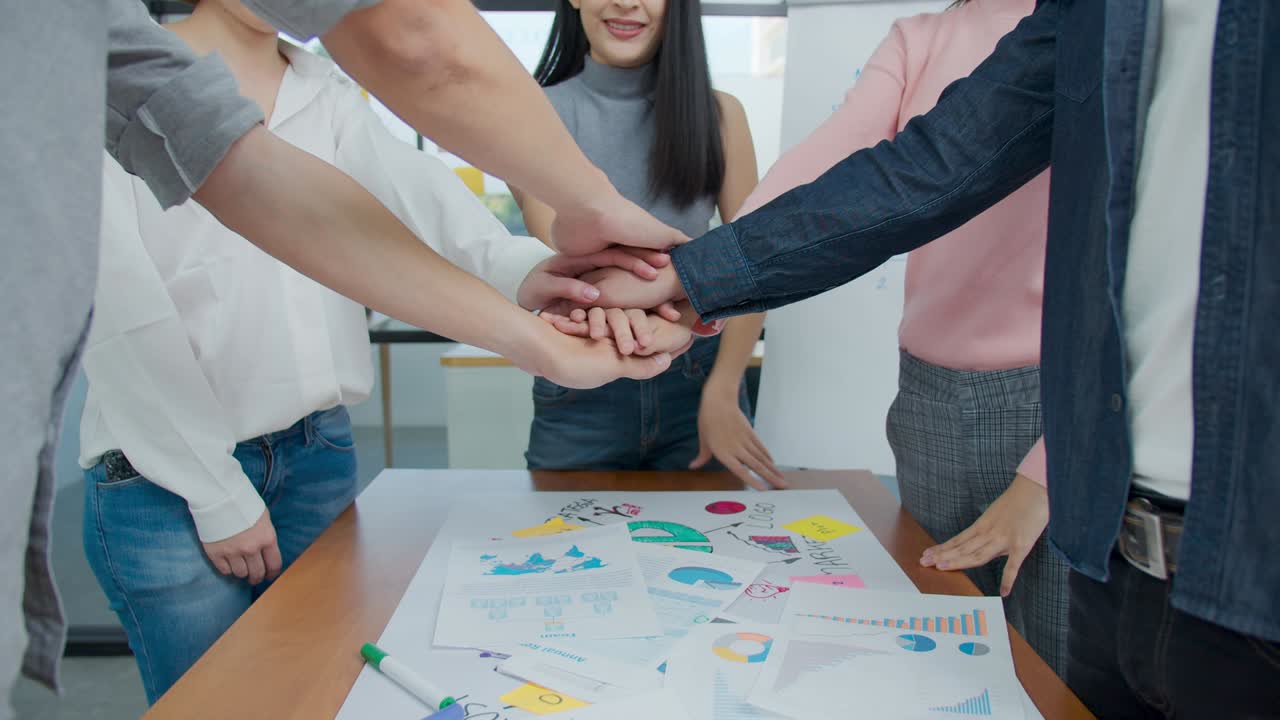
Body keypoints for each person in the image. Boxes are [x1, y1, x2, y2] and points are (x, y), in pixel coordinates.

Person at [578, 0, 1280, 715]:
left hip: (1203, 531)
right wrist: (694, 282)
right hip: (1085, 520)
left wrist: (1046, 467)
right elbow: (920, 168)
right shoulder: (1085, 18)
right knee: (958, 671)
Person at [1, 0, 683, 714]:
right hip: (166, 481)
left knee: (321, 694)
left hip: (315, 455)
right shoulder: (114, 71)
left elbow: (431, 212)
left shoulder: (323, 91)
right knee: (216, 704)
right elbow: (123, 319)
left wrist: (535, 275)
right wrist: (215, 490)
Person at [728, 0, 1067, 674]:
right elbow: (823, 166)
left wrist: (1048, 471)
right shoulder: (919, 38)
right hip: (927, 405)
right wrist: (700, 279)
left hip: (1054, 412)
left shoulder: (1093, 30)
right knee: (941, 660)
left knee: (1052, 670)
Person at [512, 0, 781, 487]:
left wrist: (723, 392)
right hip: (578, 371)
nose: (626, 2)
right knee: (565, 553)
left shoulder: (721, 116)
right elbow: (562, 248)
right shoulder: (529, 115)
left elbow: (750, 264)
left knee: (709, 550)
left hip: (699, 380)